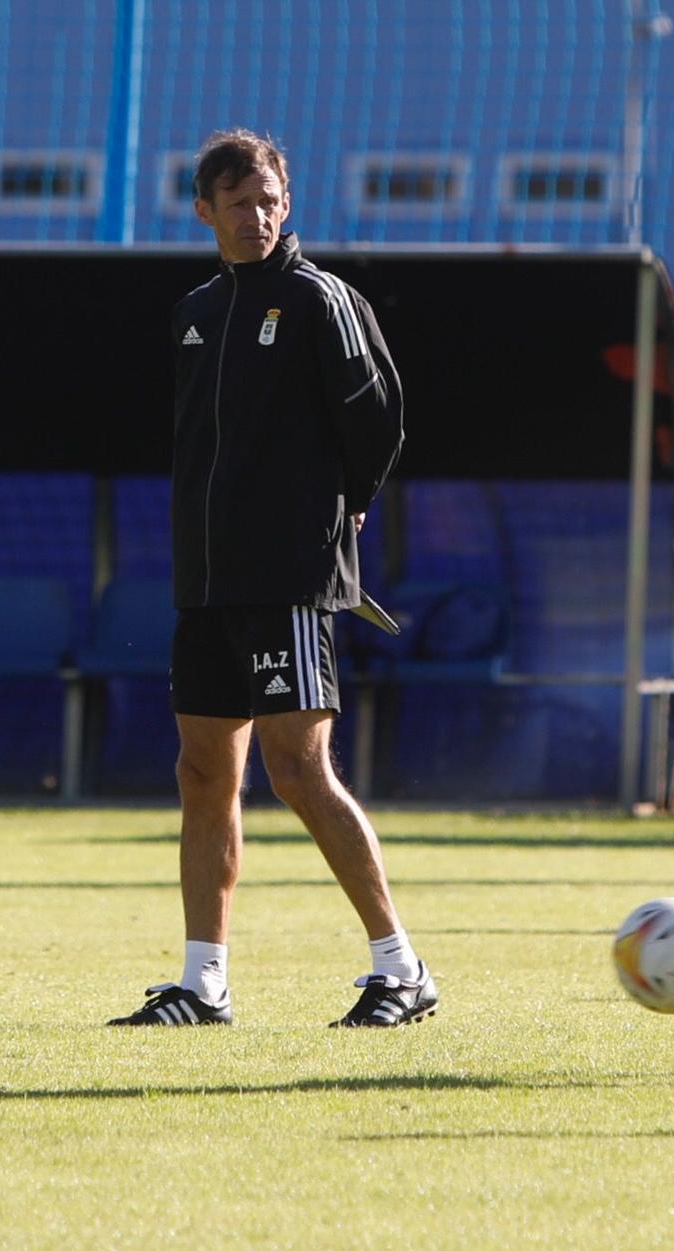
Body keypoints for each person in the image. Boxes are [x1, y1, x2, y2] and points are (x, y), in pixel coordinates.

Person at [110, 129, 432, 1029]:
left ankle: (401, 969)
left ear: (287, 205)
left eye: (269, 200)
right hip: (207, 584)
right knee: (203, 773)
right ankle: (202, 984)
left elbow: (378, 422)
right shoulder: (195, 312)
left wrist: (344, 512)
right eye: (238, 201)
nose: (257, 216)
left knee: (299, 768)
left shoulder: (320, 300)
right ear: (204, 209)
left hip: (289, 576)